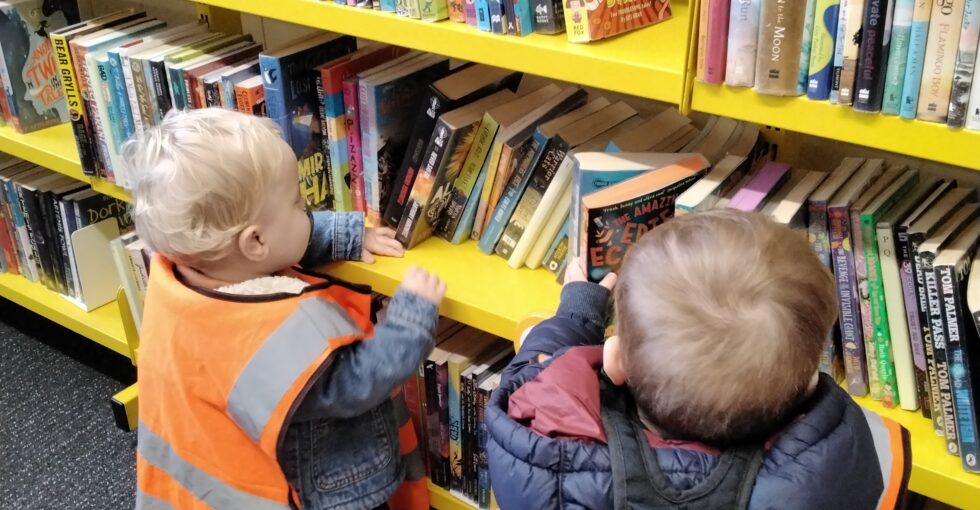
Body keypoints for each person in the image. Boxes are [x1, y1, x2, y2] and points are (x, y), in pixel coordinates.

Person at [125, 108, 446, 510]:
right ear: (255, 241)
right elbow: (358, 380)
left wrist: (346, 235)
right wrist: (412, 319)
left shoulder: (185, 273)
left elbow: (269, 245)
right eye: (298, 203)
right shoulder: (260, 336)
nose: (305, 208)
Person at [486, 209, 911, 510]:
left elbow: (531, 373)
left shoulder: (544, 452)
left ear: (615, 364)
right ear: (805, 384)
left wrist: (577, 313)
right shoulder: (853, 457)